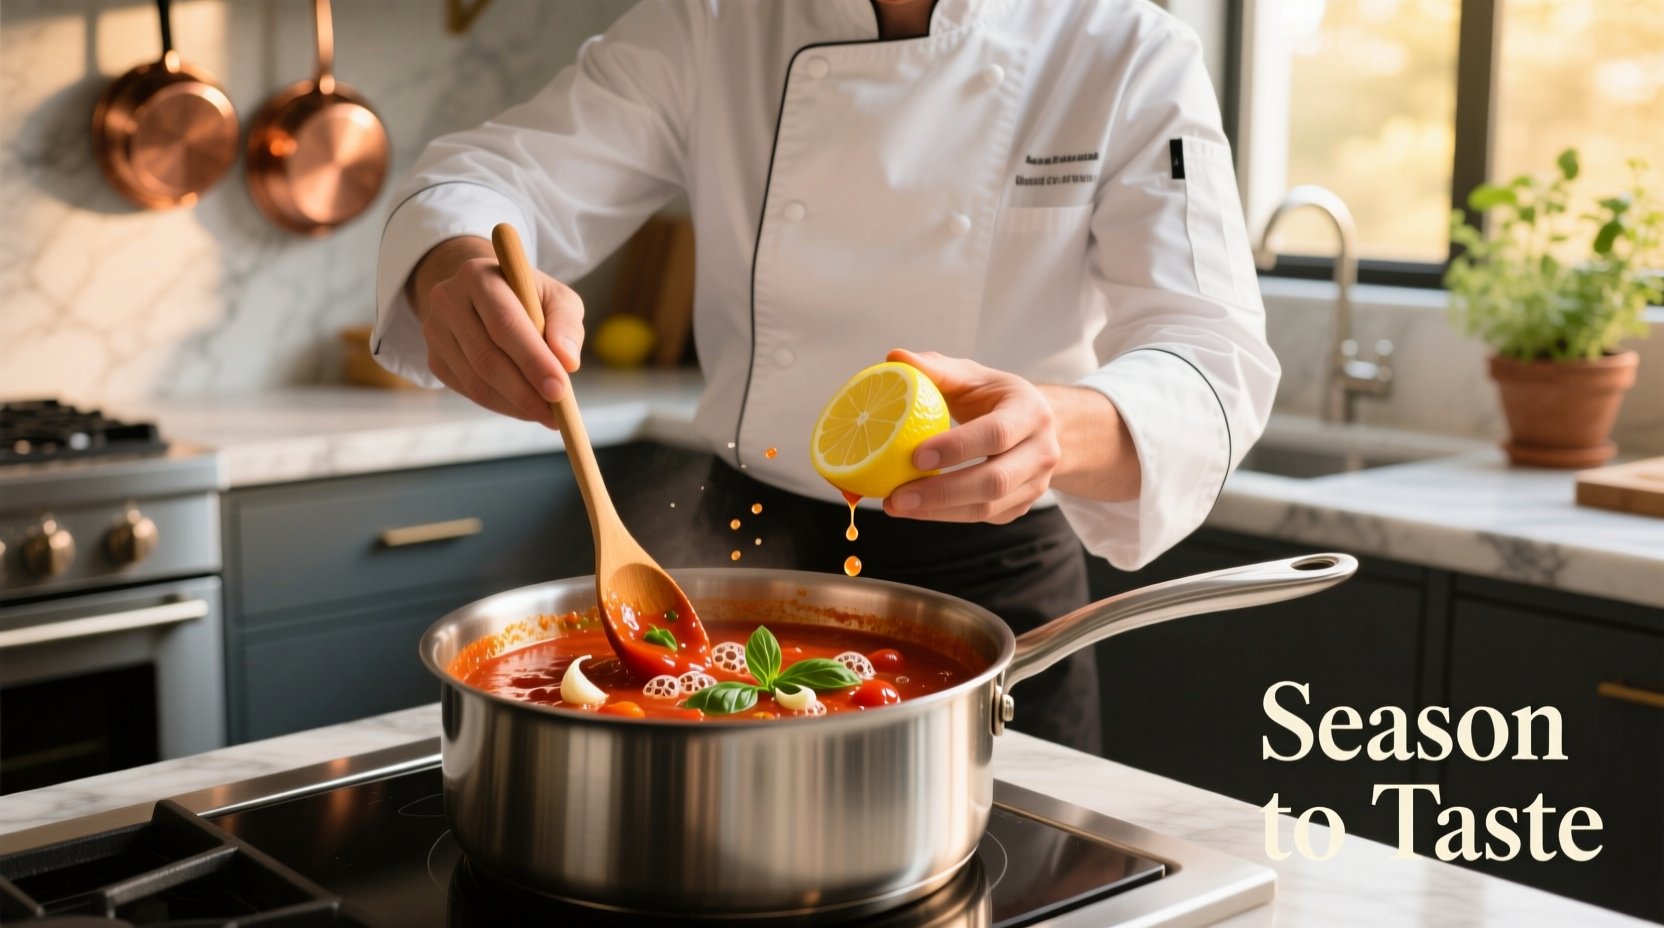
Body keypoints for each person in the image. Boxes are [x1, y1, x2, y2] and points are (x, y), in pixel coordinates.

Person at [372, 0, 1279, 754]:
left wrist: (1055, 426)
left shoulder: (1124, 49)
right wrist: (453, 265)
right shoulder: (714, 19)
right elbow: (492, 177)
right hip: (738, 560)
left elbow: (1211, 354)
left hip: (992, 581)